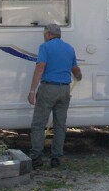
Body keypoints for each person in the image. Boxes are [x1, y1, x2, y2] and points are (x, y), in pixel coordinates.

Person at [27, 23, 81, 168]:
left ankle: (36, 157)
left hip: (48, 89)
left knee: (38, 124)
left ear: (48, 34)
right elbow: (76, 70)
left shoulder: (45, 47)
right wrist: (79, 76)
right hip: (64, 90)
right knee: (60, 126)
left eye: (44, 34)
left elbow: (40, 67)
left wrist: (32, 90)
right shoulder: (69, 48)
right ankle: (56, 158)